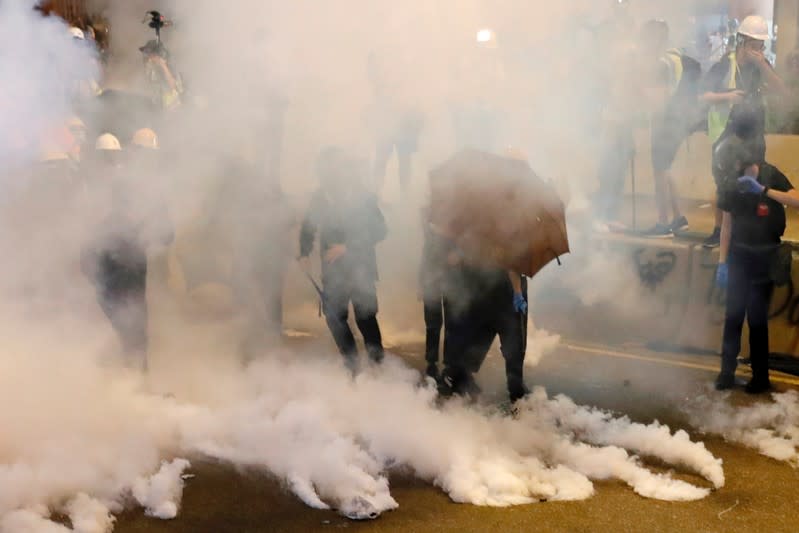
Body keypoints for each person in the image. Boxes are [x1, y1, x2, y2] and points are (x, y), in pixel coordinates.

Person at [714, 128, 799, 393]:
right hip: (740, 255)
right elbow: (727, 225)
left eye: (742, 170)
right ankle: (726, 372)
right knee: (734, 316)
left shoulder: (770, 173)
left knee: (758, 319)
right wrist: (722, 262)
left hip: (767, 255)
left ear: (750, 163)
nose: (739, 176)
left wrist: (764, 190)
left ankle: (760, 377)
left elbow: (797, 199)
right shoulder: (731, 182)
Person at [81, 133, 173, 370]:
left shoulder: (114, 182)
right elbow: (165, 233)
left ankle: (131, 380)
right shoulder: (142, 186)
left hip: (118, 262)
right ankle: (133, 379)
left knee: (128, 324)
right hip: (123, 263)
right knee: (131, 325)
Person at [701, 15, 788, 248]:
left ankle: (748, 229)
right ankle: (718, 231)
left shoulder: (760, 65)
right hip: (726, 134)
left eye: (761, 45)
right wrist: (728, 96)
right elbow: (702, 95)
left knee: (754, 178)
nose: (757, 50)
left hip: (753, 134)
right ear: (742, 41)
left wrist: (762, 63)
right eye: (753, 45)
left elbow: (781, 89)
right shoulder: (724, 64)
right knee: (723, 182)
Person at [299, 148, 387, 372]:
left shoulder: (362, 196)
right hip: (333, 271)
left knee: (365, 317)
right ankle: (352, 365)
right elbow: (309, 226)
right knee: (335, 317)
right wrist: (303, 252)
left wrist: (348, 247)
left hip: (361, 268)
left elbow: (381, 229)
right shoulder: (321, 196)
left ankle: (377, 366)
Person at [639, 20, 702, 238]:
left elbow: (659, 98)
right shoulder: (675, 58)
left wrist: (640, 94)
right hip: (678, 121)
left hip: (665, 122)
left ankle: (663, 222)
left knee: (660, 172)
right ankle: (679, 218)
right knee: (666, 170)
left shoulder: (660, 64)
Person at [418, 215, 454, 382]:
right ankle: (431, 362)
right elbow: (425, 259)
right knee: (432, 324)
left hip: (452, 281)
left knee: (451, 324)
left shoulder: (455, 230)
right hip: (431, 281)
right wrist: (421, 284)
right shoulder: (430, 231)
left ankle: (448, 363)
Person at [140, 40, 183, 111]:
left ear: (157, 55)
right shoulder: (153, 69)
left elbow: (173, 85)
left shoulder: (169, 66)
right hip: (162, 109)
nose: (148, 58)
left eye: (150, 55)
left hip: (174, 110)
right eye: (147, 54)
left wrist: (163, 65)